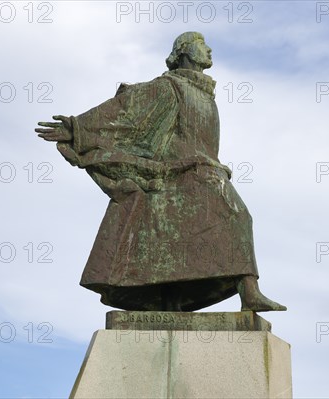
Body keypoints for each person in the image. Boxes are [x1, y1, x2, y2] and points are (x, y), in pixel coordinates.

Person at [35, 32, 285, 312]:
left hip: (202, 171)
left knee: (183, 237)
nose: (210, 50)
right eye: (202, 45)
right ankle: (247, 291)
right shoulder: (168, 87)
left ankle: (179, 300)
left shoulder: (204, 94)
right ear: (184, 51)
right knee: (237, 215)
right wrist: (76, 129)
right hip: (177, 173)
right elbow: (125, 114)